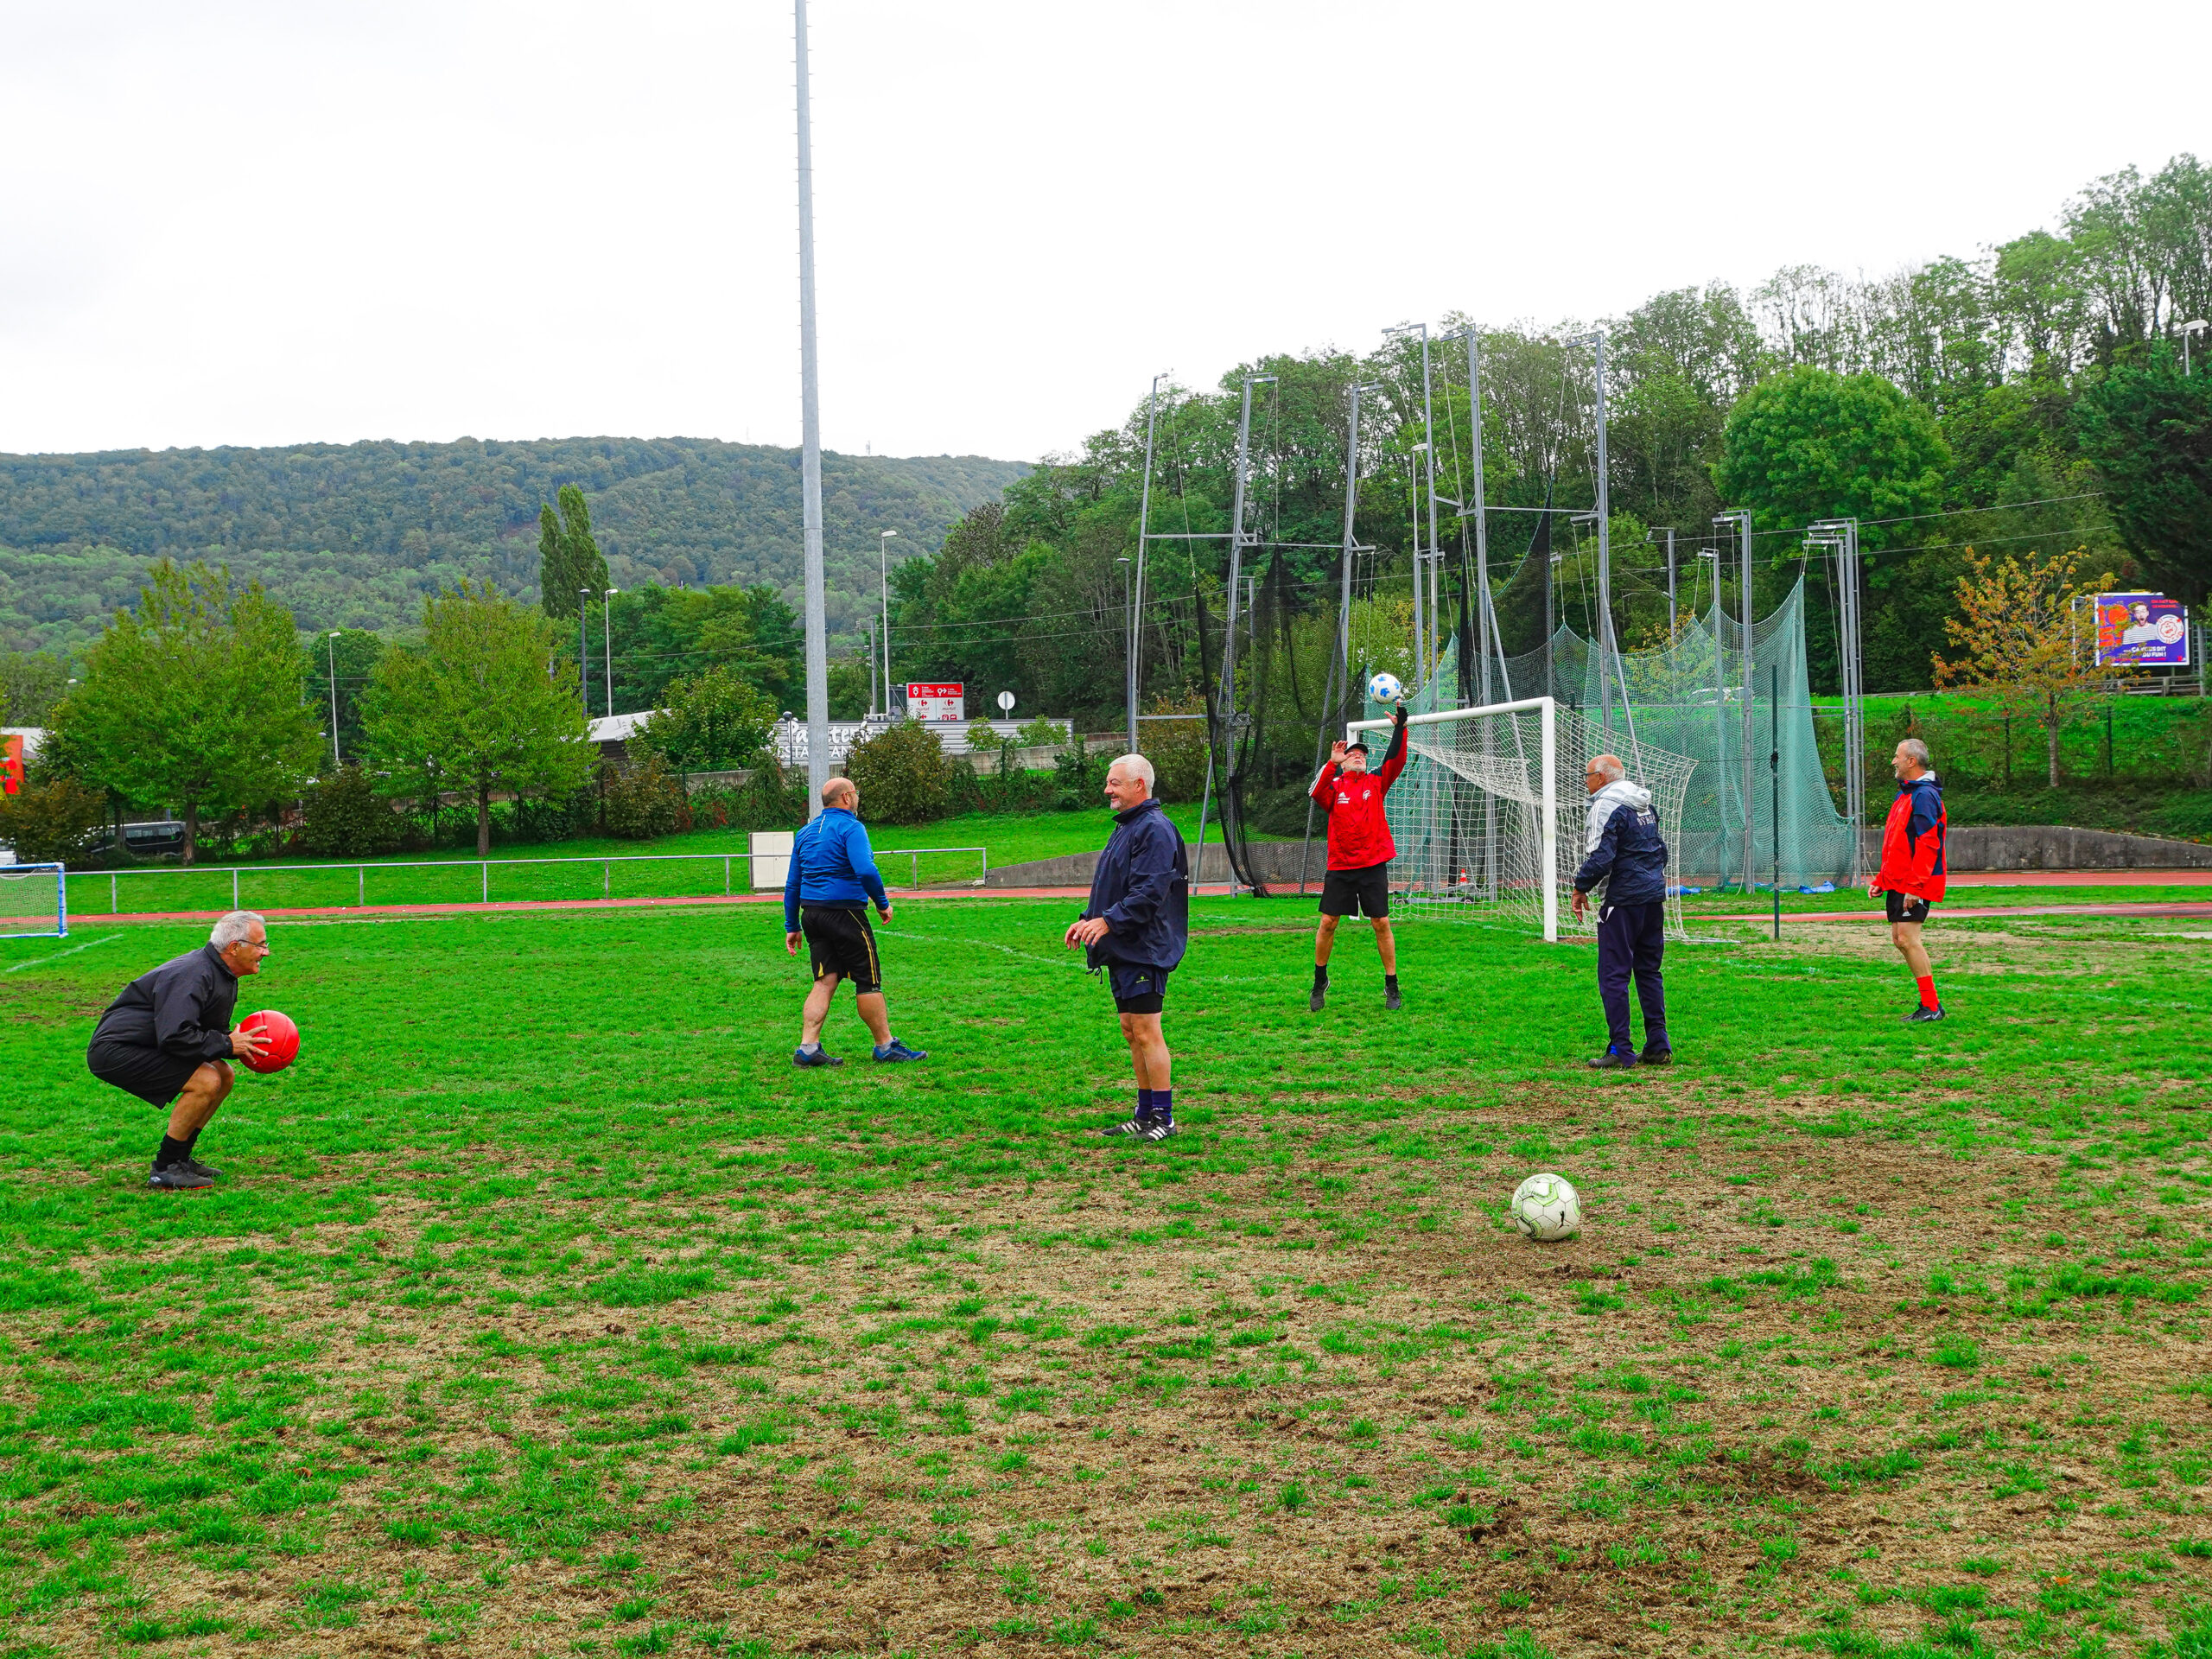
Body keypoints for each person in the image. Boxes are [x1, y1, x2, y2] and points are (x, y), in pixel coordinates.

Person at [87, 910, 272, 1191]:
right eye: (261, 945)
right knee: (206, 1080)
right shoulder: (193, 973)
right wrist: (226, 1043)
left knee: (224, 1073)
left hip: (151, 1041)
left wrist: (232, 1042)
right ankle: (165, 1168)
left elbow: (199, 1030)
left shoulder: (221, 973)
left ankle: (181, 1159)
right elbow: (175, 1036)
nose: (266, 952)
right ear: (235, 947)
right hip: (115, 1050)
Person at [1065, 753, 1188, 1142]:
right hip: (1124, 946)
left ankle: (1164, 1118)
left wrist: (1108, 921)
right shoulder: (1127, 826)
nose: (1107, 789)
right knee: (1131, 1030)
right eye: (1108, 781)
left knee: (1148, 1031)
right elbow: (1113, 885)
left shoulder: (1154, 828)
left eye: (1115, 783)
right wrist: (1088, 919)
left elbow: (1149, 893)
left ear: (1139, 785)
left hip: (1144, 947)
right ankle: (1144, 1112)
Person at [784, 777, 927, 1066]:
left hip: (812, 915)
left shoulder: (805, 832)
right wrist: (882, 903)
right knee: (868, 980)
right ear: (847, 798)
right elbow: (866, 870)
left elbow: (792, 885)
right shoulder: (851, 827)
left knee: (825, 980)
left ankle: (808, 1047)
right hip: (845, 913)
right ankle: (885, 1046)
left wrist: (792, 925)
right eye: (856, 793)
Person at [1306, 700, 1410, 1012]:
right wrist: (1331, 763)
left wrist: (1400, 727)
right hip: (1340, 866)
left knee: (1381, 922)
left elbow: (1396, 758)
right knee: (1328, 923)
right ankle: (1319, 981)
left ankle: (1392, 985)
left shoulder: (1376, 781)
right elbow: (1315, 792)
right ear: (1344, 760)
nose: (1359, 757)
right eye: (1353, 754)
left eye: (1362, 755)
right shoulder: (1334, 786)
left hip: (1372, 864)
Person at [1570, 753, 1671, 1070]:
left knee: (1613, 976)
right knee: (1649, 971)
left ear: (1601, 777)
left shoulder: (1606, 805)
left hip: (1622, 901)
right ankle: (1658, 1045)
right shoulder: (1645, 803)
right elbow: (1660, 850)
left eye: (1587, 776)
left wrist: (1580, 887)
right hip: (1652, 899)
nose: (1586, 783)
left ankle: (1621, 1051)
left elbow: (1602, 857)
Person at [1869, 736, 1948, 1021]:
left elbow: (1929, 844)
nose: (1894, 761)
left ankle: (1931, 1006)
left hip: (1915, 882)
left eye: (1897, 756)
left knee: (1907, 938)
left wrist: (1916, 886)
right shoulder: (1905, 794)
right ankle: (1932, 1005)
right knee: (1900, 939)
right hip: (1899, 880)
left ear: (1911, 761)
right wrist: (1882, 878)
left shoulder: (1924, 795)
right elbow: (1896, 842)